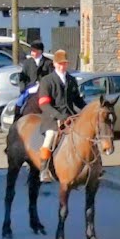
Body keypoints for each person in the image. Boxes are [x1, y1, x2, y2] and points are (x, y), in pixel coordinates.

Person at [26, 49, 84, 179]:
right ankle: (44, 169)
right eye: (60, 64)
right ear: (54, 64)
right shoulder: (47, 81)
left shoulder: (71, 80)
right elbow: (44, 104)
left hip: (70, 116)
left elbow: (78, 100)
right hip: (52, 118)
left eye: (65, 63)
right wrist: (59, 116)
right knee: (50, 137)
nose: (63, 66)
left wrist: (86, 110)